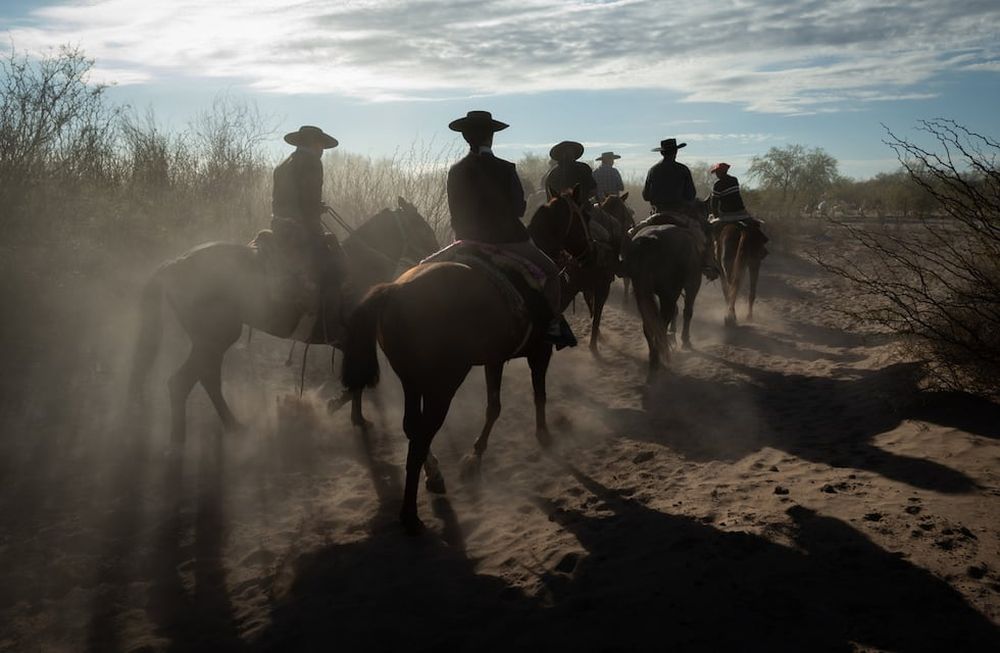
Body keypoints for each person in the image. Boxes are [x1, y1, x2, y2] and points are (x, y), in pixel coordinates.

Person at [429, 110, 576, 348]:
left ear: (466, 138)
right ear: (491, 137)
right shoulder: (506, 168)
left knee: (423, 267)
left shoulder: (456, 171)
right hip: (508, 240)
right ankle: (552, 326)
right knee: (550, 272)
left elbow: (455, 212)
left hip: (466, 241)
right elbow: (518, 209)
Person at [271, 124, 348, 340]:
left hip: (279, 226)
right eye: (321, 145)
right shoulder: (313, 163)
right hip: (300, 229)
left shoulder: (283, 165)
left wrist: (314, 205)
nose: (322, 149)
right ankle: (321, 317)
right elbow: (308, 205)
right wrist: (317, 210)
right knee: (334, 264)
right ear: (314, 144)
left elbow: (290, 199)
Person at [708, 161, 768, 255]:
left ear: (721, 172)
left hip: (726, 216)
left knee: (711, 230)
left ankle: (711, 254)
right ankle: (761, 248)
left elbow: (714, 204)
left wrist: (716, 216)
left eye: (717, 172)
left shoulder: (717, 185)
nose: (716, 174)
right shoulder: (734, 180)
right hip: (742, 214)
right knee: (755, 225)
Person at [642, 138, 696, 214]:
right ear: (676, 151)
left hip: (658, 211)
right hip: (679, 211)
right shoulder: (683, 169)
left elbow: (646, 196)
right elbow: (691, 195)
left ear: (662, 153)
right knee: (701, 224)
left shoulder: (652, 170)